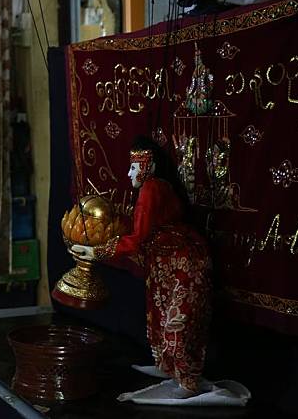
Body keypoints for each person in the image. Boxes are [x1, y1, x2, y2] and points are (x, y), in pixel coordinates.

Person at [73, 135, 212, 398]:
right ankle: (169, 367)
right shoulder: (156, 188)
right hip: (166, 261)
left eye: (134, 167)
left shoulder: (151, 188)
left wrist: (96, 251)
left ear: (148, 167)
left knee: (179, 318)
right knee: (161, 311)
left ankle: (188, 381)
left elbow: (138, 239)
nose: (129, 173)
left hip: (182, 259)